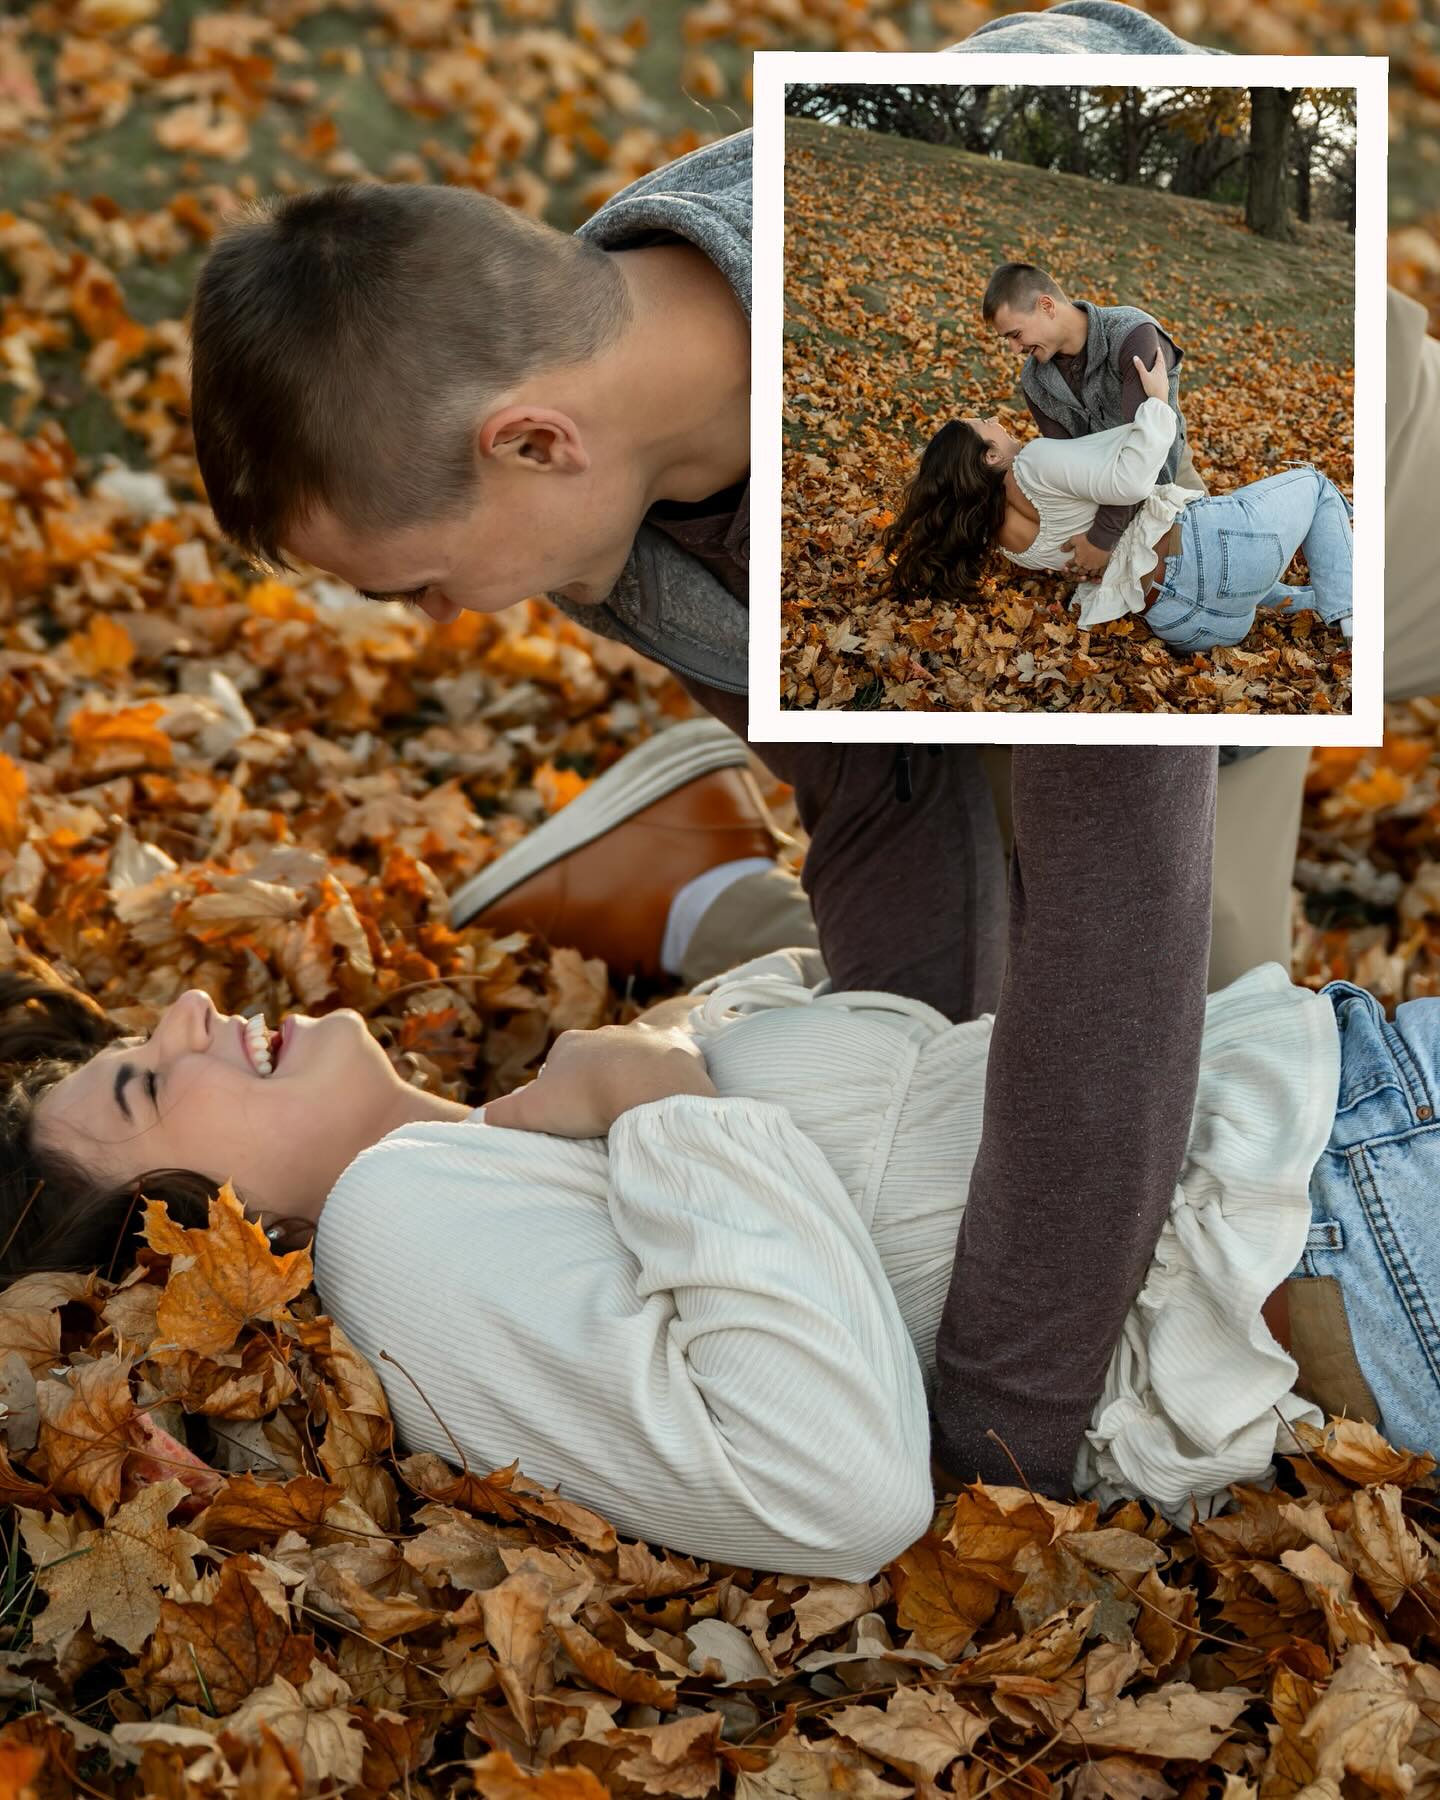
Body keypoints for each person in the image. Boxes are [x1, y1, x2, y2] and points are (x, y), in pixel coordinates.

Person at [181, 0, 1437, 1501]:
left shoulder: (899, 379)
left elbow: (1114, 940)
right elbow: (880, 797)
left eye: (421, 584)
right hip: (1079, 615)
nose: (447, 620)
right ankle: (708, 892)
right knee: (1186, 1118)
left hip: (1328, 496)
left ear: (531, 441)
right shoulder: (610, 490)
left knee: (1187, 1068)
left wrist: (1001, 1435)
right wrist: (885, 1130)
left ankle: (700, 895)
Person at [2, 906, 1423, 1577]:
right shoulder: (394, 1228)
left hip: (1342, 1133)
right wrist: (651, 1091)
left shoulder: (481, 1160)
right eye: (144, 1083)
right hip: (1332, 1209)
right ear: (188, 1254)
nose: (188, 1010)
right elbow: (835, 1489)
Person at [881, 344, 1354, 650]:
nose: (998, 422)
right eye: (987, 426)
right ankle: (1354, 615)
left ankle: (1336, 597)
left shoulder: (1005, 540)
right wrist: (1157, 401)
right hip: (1204, 551)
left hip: (1182, 622)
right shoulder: (1032, 465)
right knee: (1315, 485)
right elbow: (1130, 482)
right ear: (989, 456)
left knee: (1279, 589)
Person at [981, 260, 1206, 582]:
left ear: (1047, 306)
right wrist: (1089, 548)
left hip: (1167, 476)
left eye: (1016, 334)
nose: (1014, 348)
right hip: (1098, 497)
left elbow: (1146, 445)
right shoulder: (1035, 380)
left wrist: (1102, 540)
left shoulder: (1132, 336)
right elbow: (1068, 465)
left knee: (1217, 563)